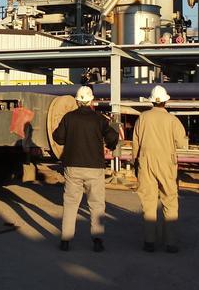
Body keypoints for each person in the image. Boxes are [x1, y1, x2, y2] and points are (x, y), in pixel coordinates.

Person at [52, 85, 119, 252]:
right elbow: (112, 137)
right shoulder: (99, 119)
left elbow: (58, 138)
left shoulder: (69, 118)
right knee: (96, 204)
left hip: (72, 166)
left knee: (70, 203)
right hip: (94, 167)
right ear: (92, 101)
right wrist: (110, 145)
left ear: (77, 101)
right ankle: (97, 240)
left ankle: (65, 240)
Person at [132, 85, 187, 253]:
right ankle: (170, 243)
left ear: (152, 101)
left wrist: (136, 163)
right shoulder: (172, 120)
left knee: (148, 201)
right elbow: (182, 143)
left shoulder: (142, 118)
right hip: (166, 163)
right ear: (165, 101)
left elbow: (136, 143)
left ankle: (149, 242)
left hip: (146, 161)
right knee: (169, 200)